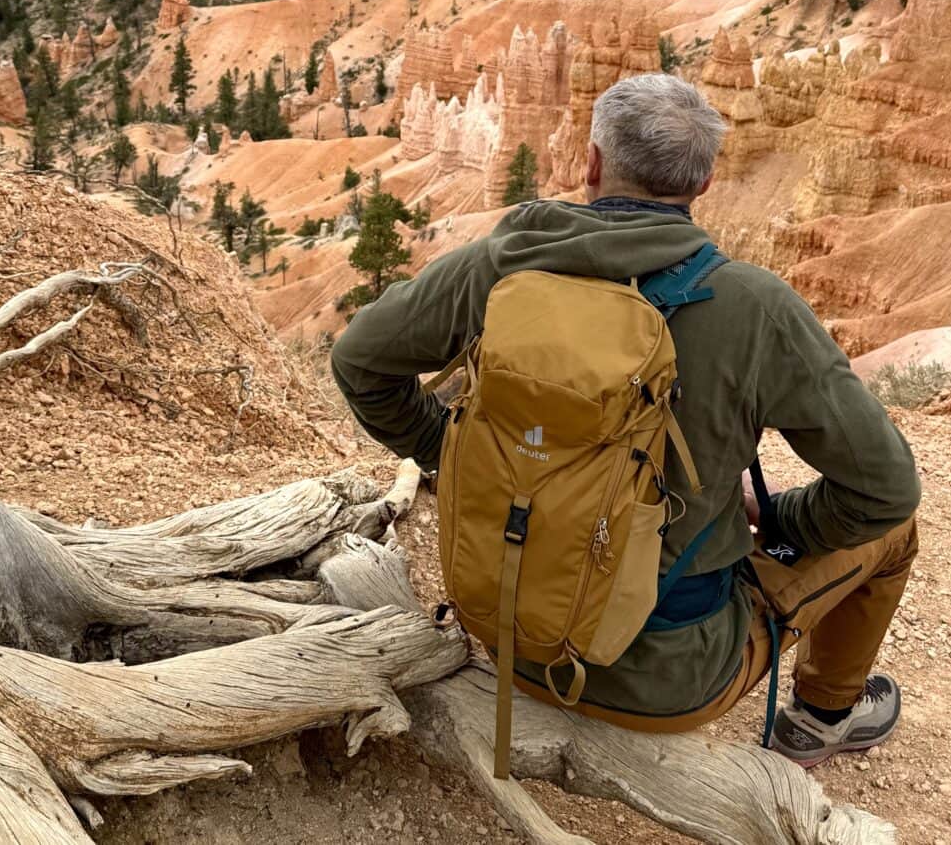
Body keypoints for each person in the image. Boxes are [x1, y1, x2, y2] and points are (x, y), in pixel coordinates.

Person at [332, 72, 920, 766]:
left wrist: (449, 449)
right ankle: (820, 721)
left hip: (511, 636)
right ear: (702, 187)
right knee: (898, 530)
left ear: (592, 164)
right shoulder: (753, 306)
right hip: (672, 677)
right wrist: (784, 517)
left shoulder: (503, 263)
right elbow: (884, 486)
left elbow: (359, 359)